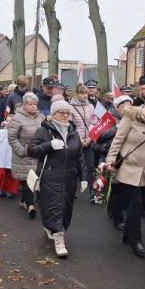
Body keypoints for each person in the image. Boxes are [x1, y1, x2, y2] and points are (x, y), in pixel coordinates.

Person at [106, 97, 145, 258]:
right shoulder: (130, 117)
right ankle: (135, 240)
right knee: (136, 203)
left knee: (138, 203)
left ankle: (127, 235)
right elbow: (117, 141)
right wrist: (111, 160)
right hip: (129, 167)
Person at [28, 97, 87, 257]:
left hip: (69, 177)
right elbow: (31, 150)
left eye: (68, 113)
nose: (65, 116)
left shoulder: (73, 132)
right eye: (62, 112)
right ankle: (59, 237)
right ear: (53, 114)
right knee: (54, 205)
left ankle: (52, 227)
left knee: (66, 206)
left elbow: (79, 156)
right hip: (50, 175)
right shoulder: (44, 131)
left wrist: (83, 177)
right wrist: (49, 145)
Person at [8, 92, 44, 217]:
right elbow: (12, 138)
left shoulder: (41, 117)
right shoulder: (17, 118)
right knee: (28, 180)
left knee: (34, 179)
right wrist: (22, 150)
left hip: (38, 154)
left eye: (35, 104)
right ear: (24, 105)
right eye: (30, 104)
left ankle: (24, 201)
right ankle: (30, 205)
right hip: (24, 155)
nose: (33, 107)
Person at [106, 95, 133, 229]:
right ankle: (117, 218)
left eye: (129, 106)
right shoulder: (108, 120)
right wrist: (117, 128)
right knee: (115, 189)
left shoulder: (134, 120)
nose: (126, 109)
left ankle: (116, 210)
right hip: (113, 158)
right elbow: (100, 136)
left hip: (127, 159)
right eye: (123, 107)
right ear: (117, 108)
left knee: (124, 190)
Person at [69, 84, 95, 198]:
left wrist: (89, 139)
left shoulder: (91, 107)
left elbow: (94, 125)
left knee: (90, 167)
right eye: (82, 93)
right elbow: (70, 126)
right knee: (74, 168)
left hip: (89, 141)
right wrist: (79, 140)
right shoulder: (70, 107)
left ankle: (93, 193)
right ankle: (71, 192)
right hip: (76, 141)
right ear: (77, 93)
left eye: (86, 93)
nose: (84, 96)